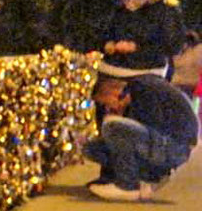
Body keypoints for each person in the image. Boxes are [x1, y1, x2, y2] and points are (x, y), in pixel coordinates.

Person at [83, 71, 197, 201]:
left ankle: (127, 186)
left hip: (176, 146)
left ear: (113, 93)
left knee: (112, 125)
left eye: (106, 103)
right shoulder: (136, 95)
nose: (107, 107)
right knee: (92, 148)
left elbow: (155, 126)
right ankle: (145, 178)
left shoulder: (143, 89)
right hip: (168, 143)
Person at [89, 0, 186, 79]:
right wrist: (109, 45)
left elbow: (173, 46)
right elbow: (102, 33)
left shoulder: (166, 9)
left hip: (147, 74)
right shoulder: (120, 5)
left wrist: (136, 47)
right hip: (111, 69)